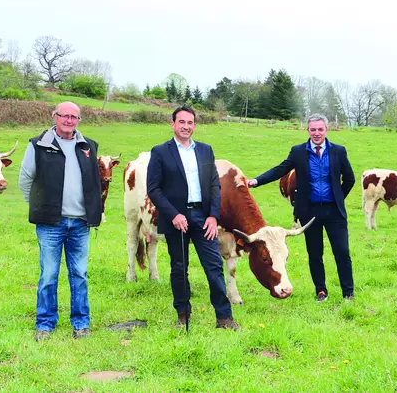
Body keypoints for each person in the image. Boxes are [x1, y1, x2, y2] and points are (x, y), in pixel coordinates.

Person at [146, 105, 239, 330]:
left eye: (190, 123)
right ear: (173, 124)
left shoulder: (206, 151)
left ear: (194, 125)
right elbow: (153, 188)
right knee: (179, 267)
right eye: (181, 122)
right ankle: (183, 315)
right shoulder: (160, 152)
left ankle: (224, 318)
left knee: (214, 265)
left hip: (202, 217)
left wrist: (213, 217)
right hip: (175, 218)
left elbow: (214, 186)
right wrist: (174, 214)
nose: (186, 126)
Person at [247, 114, 356, 302]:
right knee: (315, 253)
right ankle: (321, 291)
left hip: (334, 212)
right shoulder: (298, 152)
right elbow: (279, 169)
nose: (316, 133)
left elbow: (350, 179)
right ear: (308, 131)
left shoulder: (338, 151)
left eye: (320, 129)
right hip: (310, 212)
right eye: (313, 129)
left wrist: (338, 197)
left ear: (326, 131)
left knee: (342, 252)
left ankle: (348, 293)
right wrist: (257, 181)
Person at [19, 101, 102, 341]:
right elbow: (26, 179)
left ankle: (81, 324)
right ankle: (45, 324)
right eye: (64, 116)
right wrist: (38, 207)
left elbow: (95, 184)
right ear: (54, 117)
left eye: (74, 117)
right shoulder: (39, 145)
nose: (69, 121)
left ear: (78, 120)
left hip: (80, 223)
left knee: (80, 274)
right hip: (50, 224)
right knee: (49, 275)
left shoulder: (88, 146)